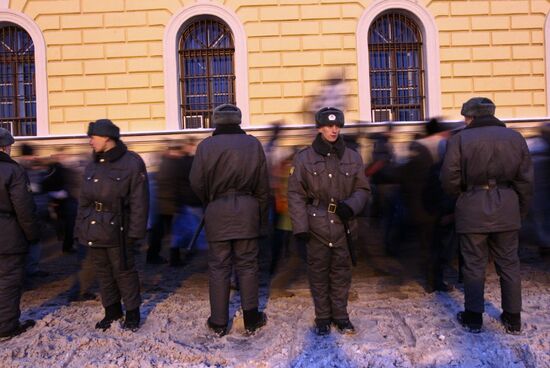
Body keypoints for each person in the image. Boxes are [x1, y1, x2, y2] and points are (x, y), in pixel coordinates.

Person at [441, 97, 533, 334]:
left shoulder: (459, 139)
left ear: (470, 116)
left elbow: (448, 179)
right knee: (509, 264)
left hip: (472, 206)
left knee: (473, 265)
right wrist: (519, 209)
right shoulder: (515, 138)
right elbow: (525, 180)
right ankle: (513, 318)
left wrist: (462, 197)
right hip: (507, 206)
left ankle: (473, 317)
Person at [288, 107, 370, 336]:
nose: (334, 130)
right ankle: (323, 317)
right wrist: (301, 227)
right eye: (329, 126)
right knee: (319, 273)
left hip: (344, 225)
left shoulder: (352, 156)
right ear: (319, 128)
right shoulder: (304, 158)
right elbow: (295, 194)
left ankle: (341, 316)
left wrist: (351, 205)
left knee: (342, 272)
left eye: (337, 126)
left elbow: (363, 189)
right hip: (316, 226)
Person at [190, 104, 270, 337]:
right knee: (247, 265)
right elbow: (262, 186)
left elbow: (196, 182)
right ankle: (252, 318)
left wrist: (212, 201)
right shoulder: (253, 144)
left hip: (217, 210)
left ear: (216, 121)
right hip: (248, 210)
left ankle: (218, 321)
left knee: (218, 267)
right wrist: (260, 216)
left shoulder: (205, 146)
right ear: (238, 121)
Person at [75, 119, 149, 331]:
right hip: (94, 227)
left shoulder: (131, 162)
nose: (90, 142)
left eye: (93, 137)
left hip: (119, 228)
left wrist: (136, 232)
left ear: (107, 138)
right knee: (103, 272)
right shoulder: (93, 164)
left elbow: (139, 200)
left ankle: (132, 313)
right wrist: (79, 228)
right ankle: (112, 311)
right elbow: (83, 200)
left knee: (124, 271)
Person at [0, 128, 40, 341]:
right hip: (7, 235)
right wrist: (32, 235)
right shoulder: (13, 171)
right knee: (8, 280)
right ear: (5, 147)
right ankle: (6, 327)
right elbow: (24, 208)